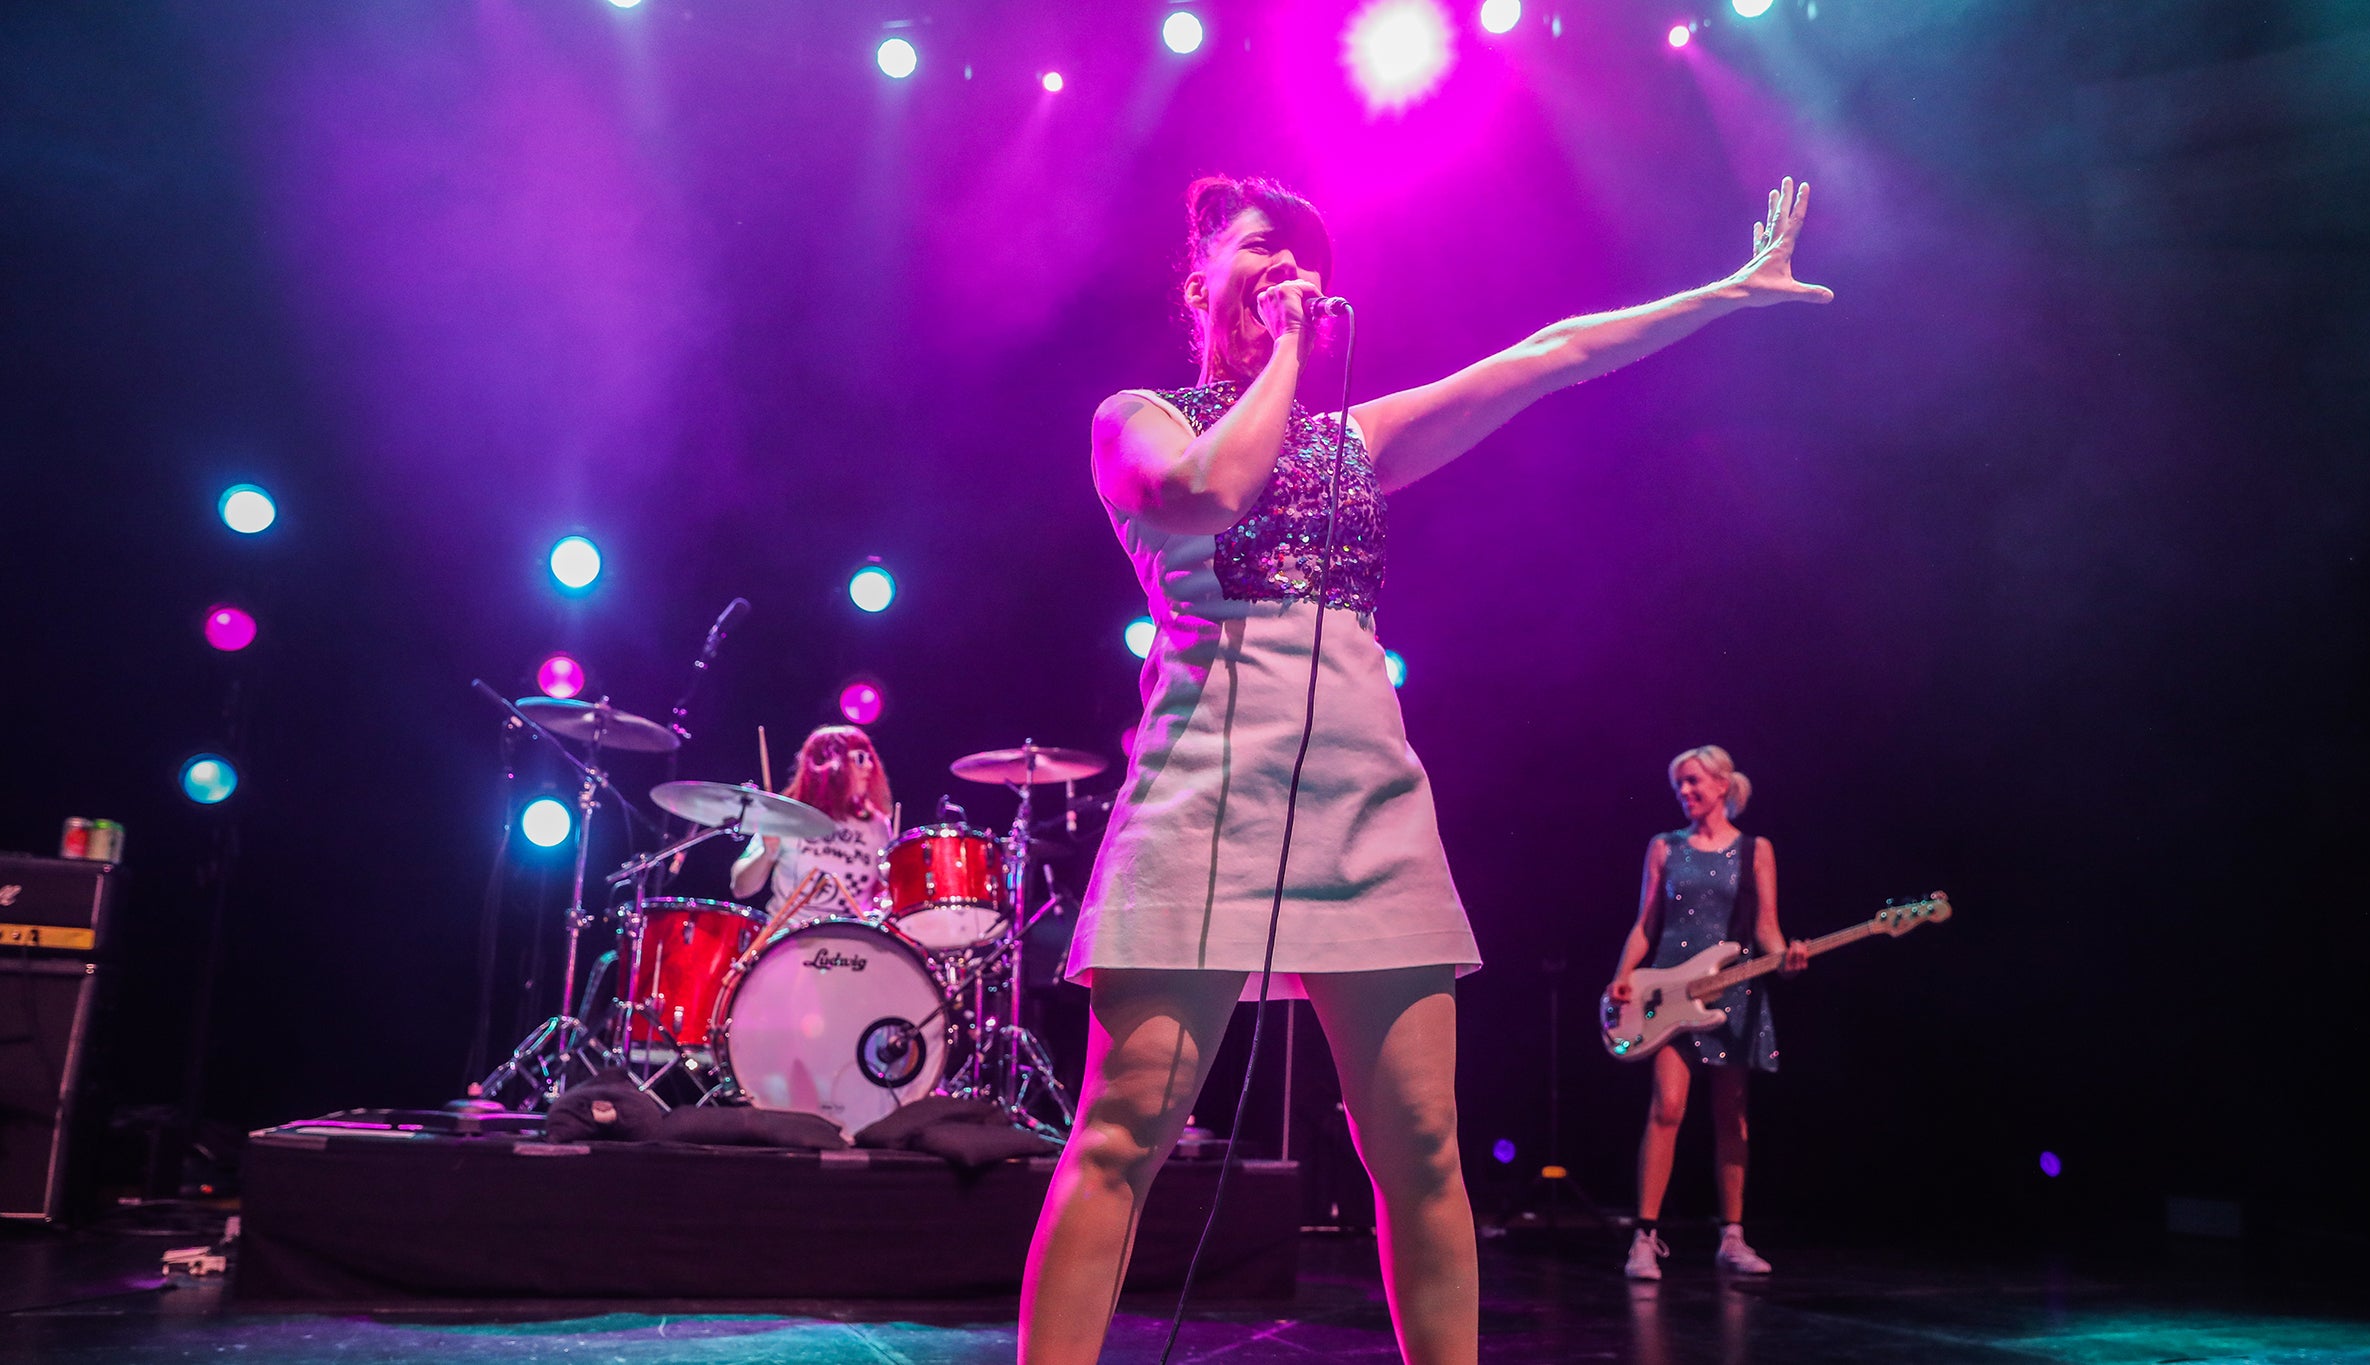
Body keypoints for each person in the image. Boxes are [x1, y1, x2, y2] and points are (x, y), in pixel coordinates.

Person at [1019, 174, 1832, 1365]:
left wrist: (1720, 293)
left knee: (1422, 1151)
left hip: (1367, 808)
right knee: (1119, 1137)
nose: (1289, 264)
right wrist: (1290, 353)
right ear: (1197, 284)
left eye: (1304, 253)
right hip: (1201, 799)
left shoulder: (1355, 441)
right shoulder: (1136, 417)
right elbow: (1209, 493)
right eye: (1259, 247)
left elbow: (1544, 357)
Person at [1607, 745, 1807, 1281]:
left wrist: (1784, 958)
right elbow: (1646, 923)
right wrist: (1624, 974)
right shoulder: (1664, 847)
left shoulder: (1754, 849)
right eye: (1680, 786)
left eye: (1694, 782)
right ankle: (1644, 1238)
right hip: (1669, 991)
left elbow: (1766, 927)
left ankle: (1732, 1237)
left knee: (1731, 1114)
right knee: (1667, 1106)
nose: (1686, 793)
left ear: (1723, 785)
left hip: (1734, 994)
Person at [728, 725, 894, 926]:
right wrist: (767, 852)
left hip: (853, 941)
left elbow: (885, 890)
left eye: (870, 758)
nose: (869, 766)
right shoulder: (785, 816)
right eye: (860, 758)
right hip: (789, 939)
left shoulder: (878, 825)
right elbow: (740, 888)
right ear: (830, 764)